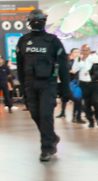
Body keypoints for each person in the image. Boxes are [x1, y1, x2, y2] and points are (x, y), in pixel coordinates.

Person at [16, 9, 72, 161]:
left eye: (39, 20)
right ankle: (52, 137)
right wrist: (23, 88)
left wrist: (66, 89)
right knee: (36, 115)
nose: (37, 23)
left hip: (48, 84)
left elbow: (63, 66)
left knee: (46, 115)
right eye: (34, 20)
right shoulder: (23, 41)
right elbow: (20, 67)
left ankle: (47, 148)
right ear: (29, 22)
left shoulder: (53, 41)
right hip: (29, 84)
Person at [71, 44, 98, 128]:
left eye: (87, 50)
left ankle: (97, 118)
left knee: (95, 102)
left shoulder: (93, 58)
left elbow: (92, 68)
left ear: (89, 51)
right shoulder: (78, 59)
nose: (85, 52)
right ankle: (90, 120)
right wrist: (82, 61)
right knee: (87, 104)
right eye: (83, 50)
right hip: (83, 84)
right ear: (81, 51)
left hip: (94, 84)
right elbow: (74, 70)